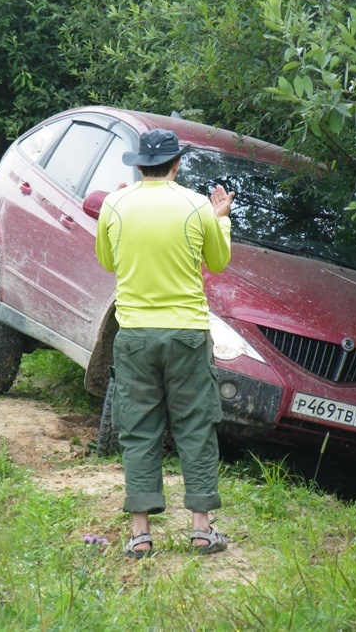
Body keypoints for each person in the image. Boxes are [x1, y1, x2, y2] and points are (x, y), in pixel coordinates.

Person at [95, 128, 235, 559]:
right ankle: (200, 530)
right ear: (177, 166)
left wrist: (116, 212)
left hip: (135, 334)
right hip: (188, 334)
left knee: (138, 430)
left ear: (138, 166)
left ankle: (140, 535)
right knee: (195, 426)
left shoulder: (114, 205)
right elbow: (219, 262)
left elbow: (107, 261)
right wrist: (222, 217)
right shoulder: (196, 206)